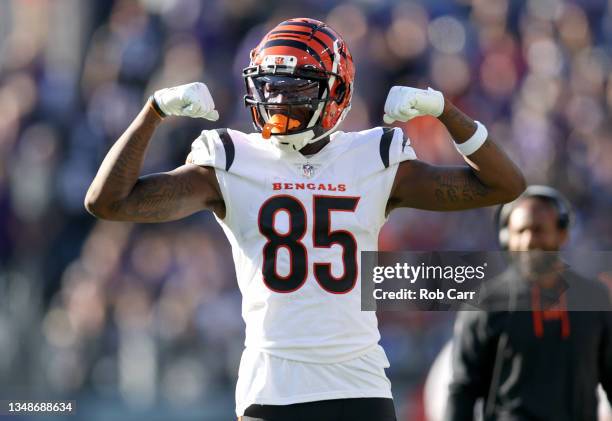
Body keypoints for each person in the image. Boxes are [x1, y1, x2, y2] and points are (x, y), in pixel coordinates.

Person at [84, 17, 525, 421]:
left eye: (294, 87)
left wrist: (445, 111)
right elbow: (108, 203)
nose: (277, 98)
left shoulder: (373, 159)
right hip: (272, 388)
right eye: (270, 85)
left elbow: (505, 185)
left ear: (336, 92)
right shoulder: (231, 161)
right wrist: (152, 113)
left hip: (359, 384)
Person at [446, 186, 612, 421]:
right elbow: (462, 390)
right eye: (521, 231)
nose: (529, 240)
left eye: (539, 229)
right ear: (506, 238)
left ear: (562, 233)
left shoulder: (594, 298)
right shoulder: (483, 304)